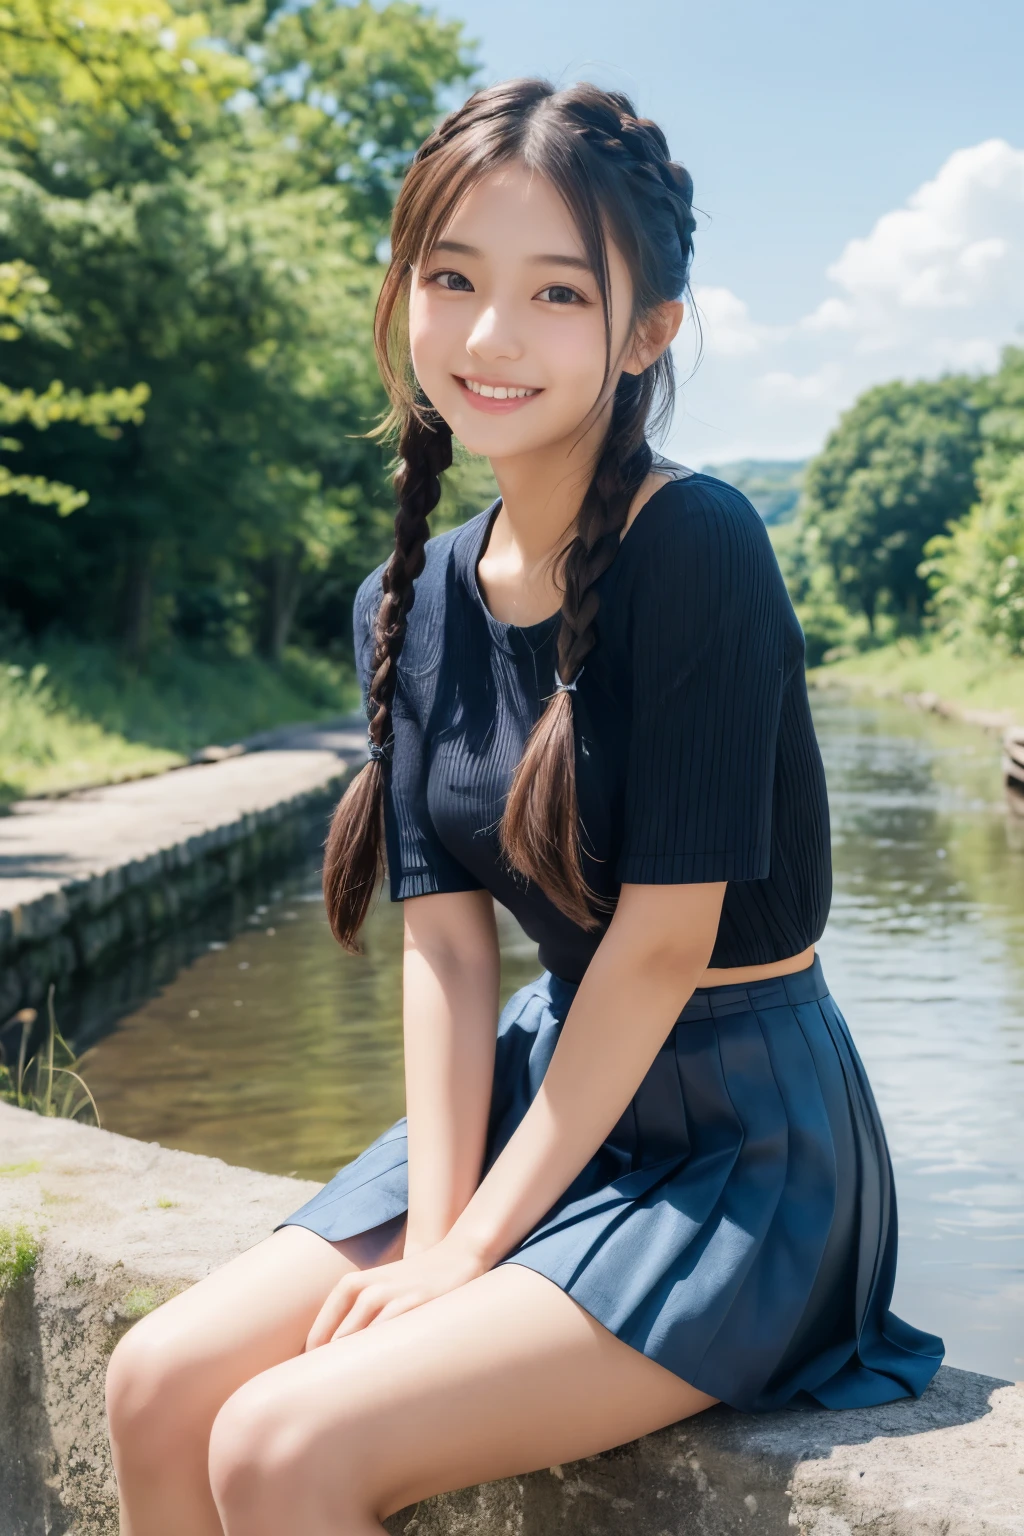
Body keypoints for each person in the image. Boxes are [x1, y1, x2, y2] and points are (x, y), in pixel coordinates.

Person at [105, 78, 944, 1536]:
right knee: (161, 1384)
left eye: (557, 292)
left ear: (645, 333)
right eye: (451, 278)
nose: (490, 336)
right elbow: (444, 952)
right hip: (538, 1089)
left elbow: (661, 950)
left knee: (288, 1447)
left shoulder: (700, 545)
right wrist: (438, 1234)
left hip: (737, 1140)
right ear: (402, 292)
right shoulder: (408, 596)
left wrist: (466, 1258)